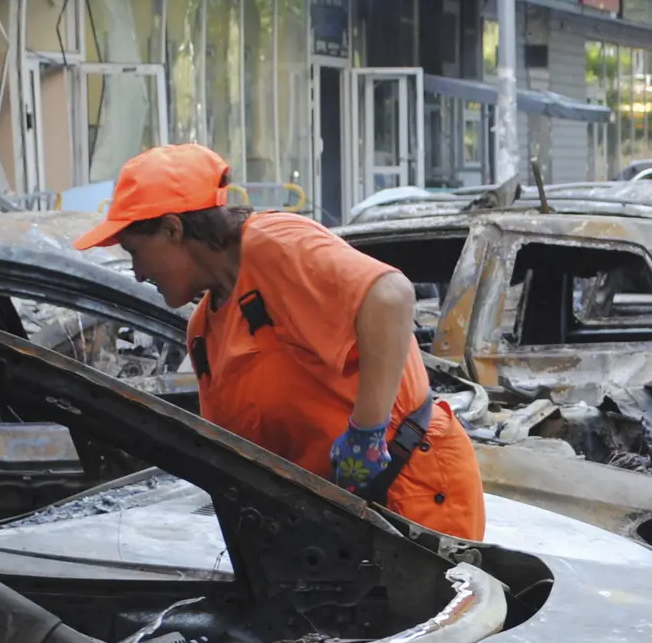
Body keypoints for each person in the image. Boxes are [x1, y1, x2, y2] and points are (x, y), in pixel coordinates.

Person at [73, 144, 486, 540]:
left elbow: (391, 296)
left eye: (135, 251)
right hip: (340, 520)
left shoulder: (273, 243)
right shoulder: (203, 332)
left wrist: (367, 433)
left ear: (172, 228)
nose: (138, 272)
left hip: (412, 489)